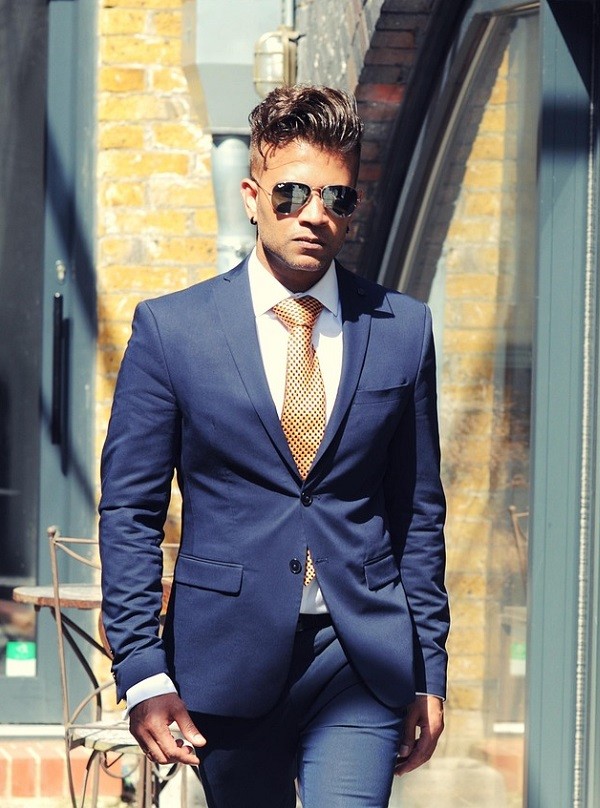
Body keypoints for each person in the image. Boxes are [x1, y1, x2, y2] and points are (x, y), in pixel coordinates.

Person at [99, 85, 449, 807]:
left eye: (337, 198)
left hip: (358, 653)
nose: (315, 214)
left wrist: (427, 670)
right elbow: (130, 511)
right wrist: (142, 670)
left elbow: (418, 511)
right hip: (226, 660)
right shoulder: (173, 332)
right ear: (253, 194)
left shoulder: (403, 329)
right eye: (292, 194)